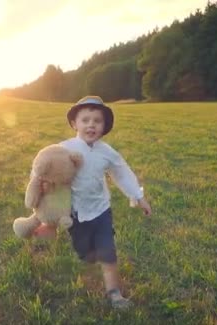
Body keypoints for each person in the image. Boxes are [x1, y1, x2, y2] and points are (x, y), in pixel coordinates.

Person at [59, 95, 152, 309]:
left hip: (101, 210)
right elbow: (48, 167)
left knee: (107, 252)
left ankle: (114, 293)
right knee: (84, 252)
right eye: (85, 120)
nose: (91, 125)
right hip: (77, 213)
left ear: (104, 127)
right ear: (75, 123)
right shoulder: (64, 148)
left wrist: (139, 197)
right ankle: (88, 253)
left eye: (97, 121)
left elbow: (122, 173)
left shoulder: (107, 152)